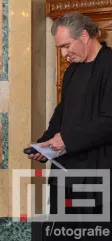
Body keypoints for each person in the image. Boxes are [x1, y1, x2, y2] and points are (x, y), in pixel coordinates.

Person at [28, 12, 112, 240]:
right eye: (61, 48)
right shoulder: (72, 71)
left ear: (84, 36)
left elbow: (109, 121)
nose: (64, 54)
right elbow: (62, 112)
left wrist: (66, 140)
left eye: (66, 46)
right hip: (65, 175)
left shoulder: (109, 65)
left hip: (99, 176)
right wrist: (45, 143)